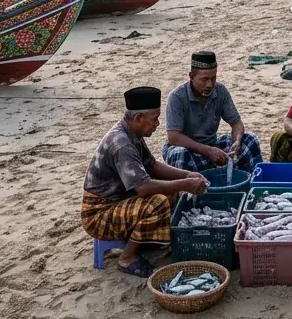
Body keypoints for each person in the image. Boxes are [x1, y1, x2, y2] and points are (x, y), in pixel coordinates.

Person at [81, 86, 210, 278]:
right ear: (138, 118)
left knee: (171, 192)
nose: (157, 124)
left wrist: (187, 175)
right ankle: (127, 258)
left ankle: (146, 238)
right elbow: (143, 188)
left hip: (120, 200)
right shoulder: (122, 143)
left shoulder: (132, 134)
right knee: (156, 202)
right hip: (99, 213)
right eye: (154, 119)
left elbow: (152, 166)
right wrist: (185, 184)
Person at [163, 51, 263, 173]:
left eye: (213, 78)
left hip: (212, 144)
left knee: (250, 140)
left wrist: (237, 140)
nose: (209, 84)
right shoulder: (177, 97)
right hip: (187, 149)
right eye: (204, 79)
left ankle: (250, 185)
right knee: (179, 154)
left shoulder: (220, 91)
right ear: (192, 76)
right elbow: (174, 137)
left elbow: (236, 123)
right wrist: (207, 150)